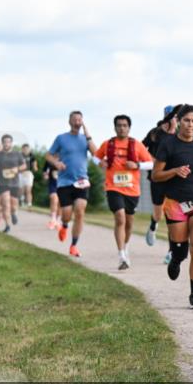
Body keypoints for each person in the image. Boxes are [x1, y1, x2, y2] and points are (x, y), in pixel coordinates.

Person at [152, 105, 193, 309]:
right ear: (178, 121)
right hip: (176, 202)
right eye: (187, 120)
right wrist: (175, 171)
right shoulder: (168, 144)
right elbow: (156, 175)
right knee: (181, 250)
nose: (191, 125)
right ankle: (176, 258)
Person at [95, 115, 154, 270]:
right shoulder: (108, 144)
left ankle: (126, 246)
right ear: (115, 127)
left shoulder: (136, 145)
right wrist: (101, 162)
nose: (122, 128)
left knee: (129, 222)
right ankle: (121, 255)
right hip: (113, 187)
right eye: (119, 125)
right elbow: (95, 157)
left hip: (132, 189)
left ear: (129, 127)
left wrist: (136, 165)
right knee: (120, 218)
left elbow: (150, 164)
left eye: (125, 125)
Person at [46, 111, 98, 257]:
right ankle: (64, 225)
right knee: (67, 214)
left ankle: (74, 245)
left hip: (82, 180)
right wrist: (56, 163)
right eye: (75, 119)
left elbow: (96, 154)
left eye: (80, 119)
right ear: (69, 121)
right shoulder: (61, 138)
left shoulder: (85, 139)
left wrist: (88, 135)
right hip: (64, 182)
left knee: (80, 211)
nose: (77, 121)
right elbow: (48, 155)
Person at [143, 105, 181, 265]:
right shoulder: (155, 133)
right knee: (158, 213)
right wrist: (151, 160)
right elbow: (141, 148)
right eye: (171, 116)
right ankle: (153, 226)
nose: (174, 120)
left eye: (176, 117)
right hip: (156, 178)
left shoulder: (180, 135)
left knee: (172, 216)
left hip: (173, 179)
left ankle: (171, 252)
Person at [0, 134, 26, 233]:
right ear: (2, 143)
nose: (6, 144)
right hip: (3, 183)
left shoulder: (17, 154)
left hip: (14, 183)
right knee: (5, 203)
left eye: (8, 142)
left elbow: (24, 166)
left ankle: (14, 213)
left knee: (14, 205)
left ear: (11, 143)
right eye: (5, 142)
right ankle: (7, 225)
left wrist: (17, 169)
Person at [42, 159, 60, 228]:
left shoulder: (65, 157)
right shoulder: (49, 160)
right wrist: (45, 176)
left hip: (62, 183)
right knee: (54, 198)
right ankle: (53, 220)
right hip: (52, 183)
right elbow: (44, 171)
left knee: (60, 202)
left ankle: (58, 220)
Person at [19, 143, 37, 208]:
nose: (26, 150)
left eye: (27, 149)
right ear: (22, 149)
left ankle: (29, 204)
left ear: (29, 149)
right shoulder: (19, 156)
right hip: (20, 174)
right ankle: (22, 200)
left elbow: (35, 165)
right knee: (21, 189)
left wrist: (35, 168)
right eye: (24, 149)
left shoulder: (32, 156)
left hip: (28, 174)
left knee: (28, 189)